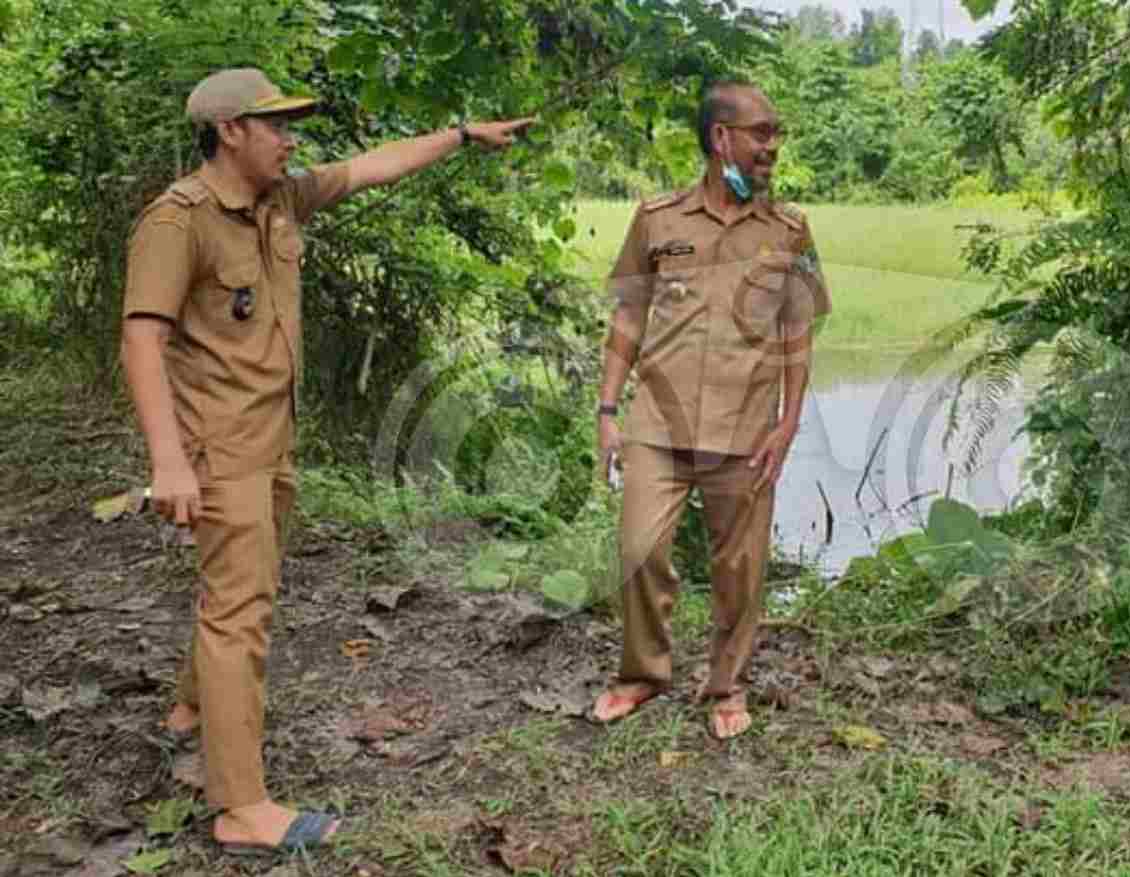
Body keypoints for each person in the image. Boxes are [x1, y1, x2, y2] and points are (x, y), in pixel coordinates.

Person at [120, 67, 533, 853]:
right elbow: (142, 339)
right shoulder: (177, 222)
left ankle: (191, 707)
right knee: (240, 609)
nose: (290, 138)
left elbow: (373, 166)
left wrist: (460, 135)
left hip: (272, 435)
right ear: (230, 131)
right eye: (275, 124)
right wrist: (167, 461)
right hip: (219, 448)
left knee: (243, 588)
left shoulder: (280, 199)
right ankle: (241, 806)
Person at [589, 81, 830, 740]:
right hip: (657, 425)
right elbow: (629, 316)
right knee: (638, 548)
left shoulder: (789, 230)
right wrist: (607, 410)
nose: (772, 146)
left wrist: (788, 422)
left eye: (777, 133)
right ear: (721, 137)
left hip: (745, 430)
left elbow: (798, 331)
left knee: (740, 569)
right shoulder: (657, 219)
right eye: (761, 132)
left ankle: (727, 685)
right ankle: (643, 673)